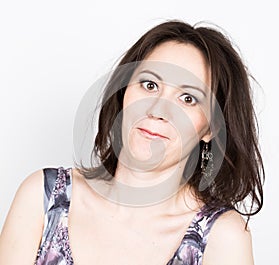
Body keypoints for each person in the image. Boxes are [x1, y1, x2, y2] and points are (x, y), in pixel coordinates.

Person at [0, 20, 264, 265]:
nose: (158, 109)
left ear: (211, 128)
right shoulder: (44, 198)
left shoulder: (223, 237)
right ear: (124, 92)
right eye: (149, 85)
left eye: (188, 99)